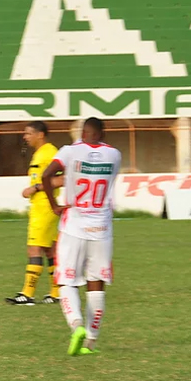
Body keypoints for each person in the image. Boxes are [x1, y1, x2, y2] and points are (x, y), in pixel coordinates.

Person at [41, 117, 121, 356]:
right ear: (103, 132)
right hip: (101, 228)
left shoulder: (69, 151)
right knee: (96, 285)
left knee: (66, 280)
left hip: (73, 225)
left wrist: (54, 204)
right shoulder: (115, 155)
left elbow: (47, 176)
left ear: (81, 132)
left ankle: (76, 325)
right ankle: (91, 342)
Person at [6, 122, 60, 305]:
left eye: (28, 133)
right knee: (50, 250)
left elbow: (60, 179)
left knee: (34, 248)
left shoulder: (50, 152)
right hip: (42, 207)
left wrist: (34, 188)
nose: (25, 137)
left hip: (44, 207)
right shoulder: (40, 153)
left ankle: (28, 294)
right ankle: (57, 292)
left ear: (41, 134)